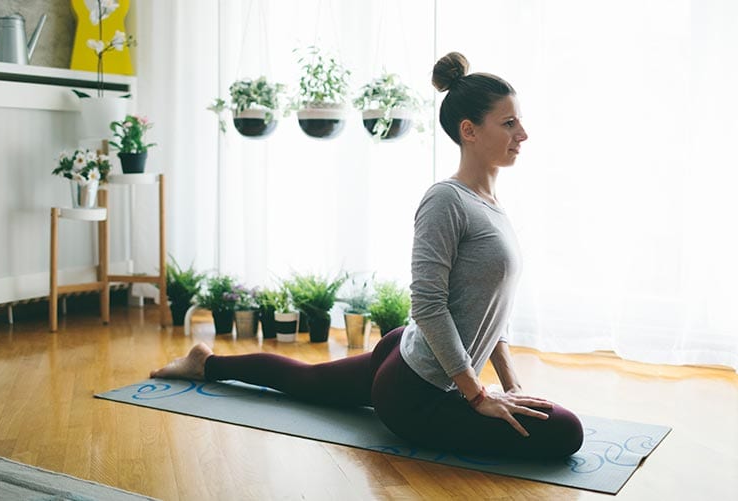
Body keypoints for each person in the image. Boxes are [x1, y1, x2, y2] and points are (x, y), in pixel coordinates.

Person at [152, 52, 584, 459]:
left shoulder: (492, 205)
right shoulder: (445, 201)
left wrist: (511, 386)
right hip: (415, 393)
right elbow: (429, 305)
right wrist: (477, 394)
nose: (522, 134)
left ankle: (204, 362)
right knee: (567, 432)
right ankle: (205, 364)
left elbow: (494, 310)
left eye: (519, 122)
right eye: (509, 123)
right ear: (469, 130)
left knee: (306, 380)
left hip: (410, 351)